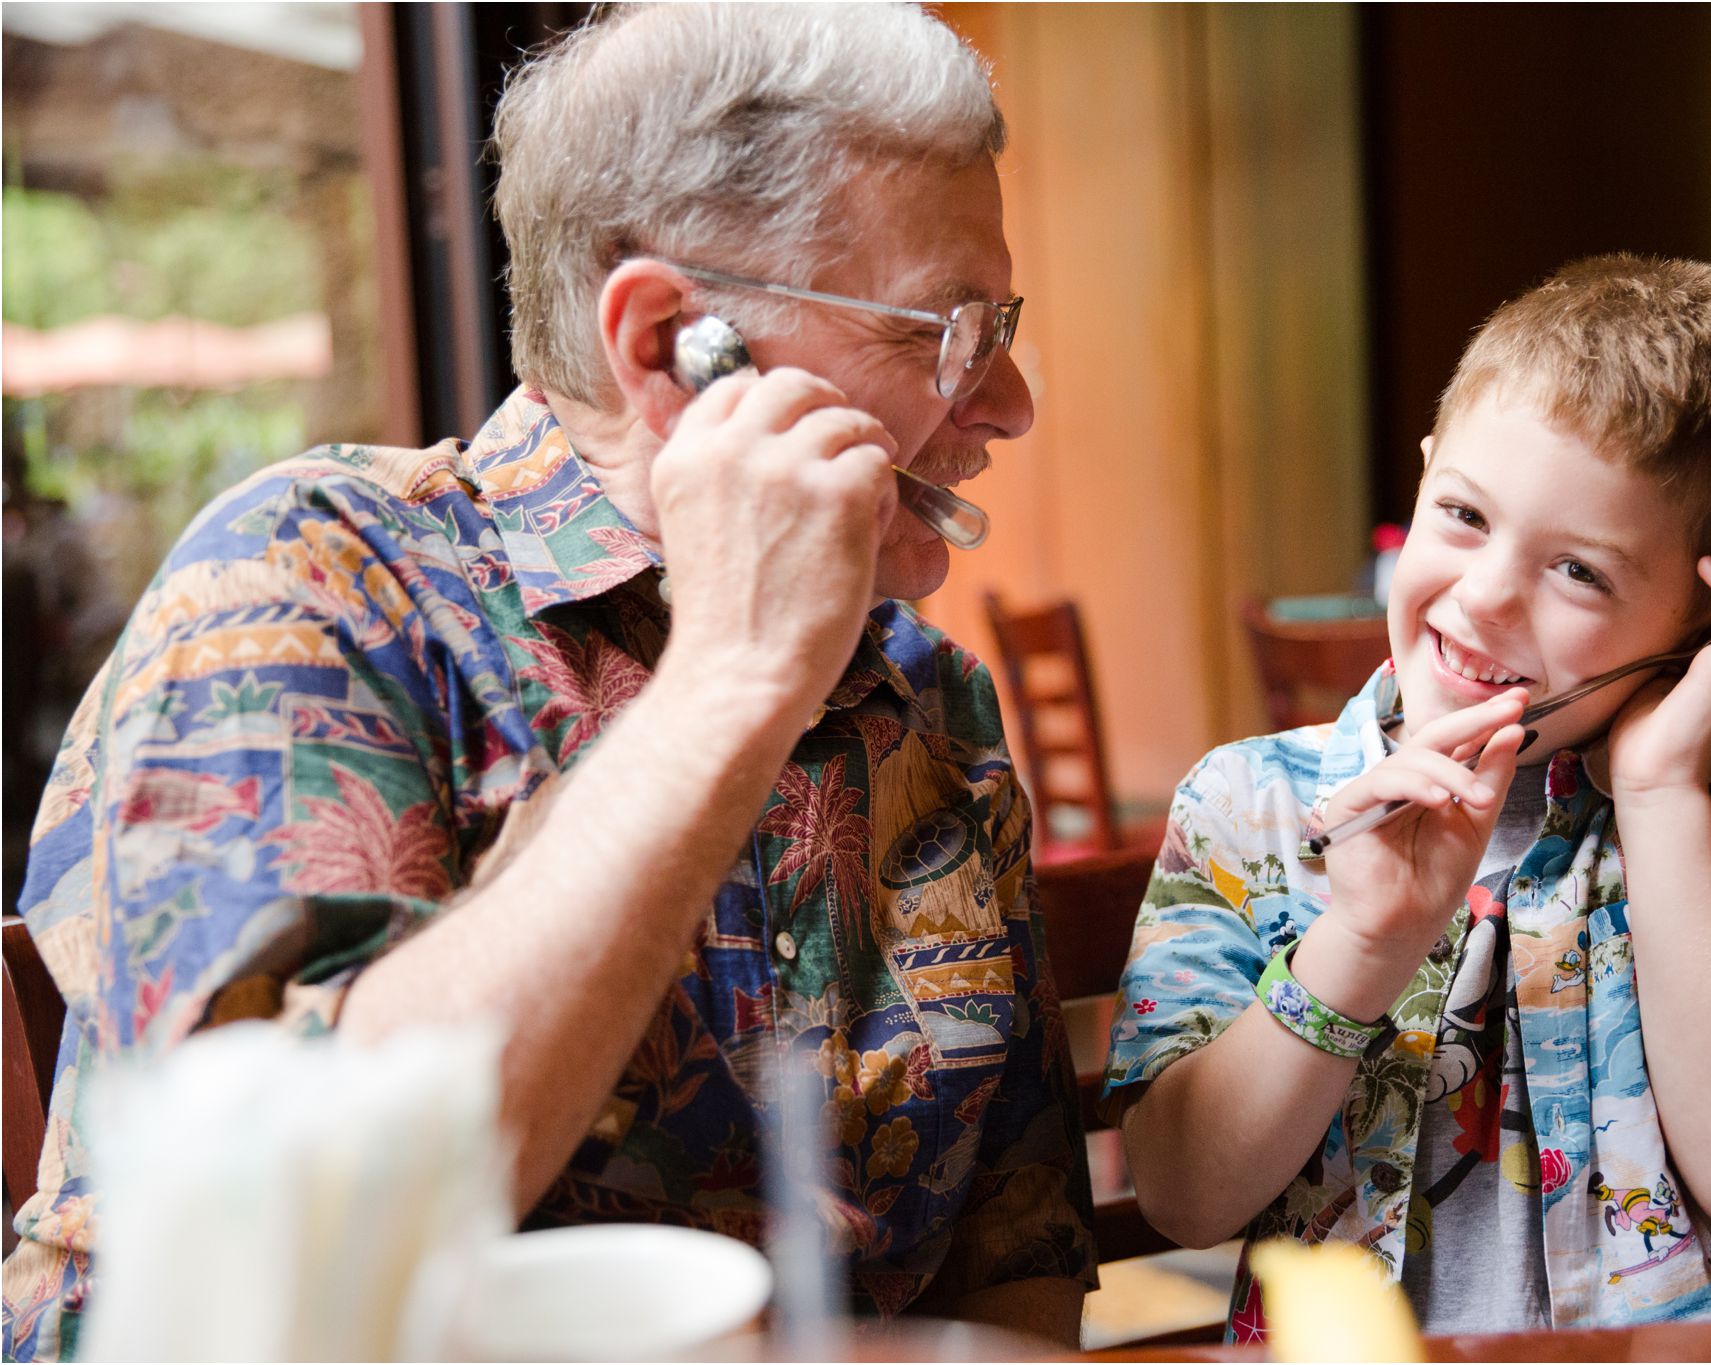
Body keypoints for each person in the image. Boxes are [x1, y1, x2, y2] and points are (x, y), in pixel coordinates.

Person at [2, 7, 1097, 1357]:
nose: (1007, 405)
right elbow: (304, 1256)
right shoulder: (314, 584)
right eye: (949, 328)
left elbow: (1018, 1266)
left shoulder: (931, 702)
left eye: (1006, 324)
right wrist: (728, 682)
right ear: (667, 348)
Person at [1103, 255, 1711, 1339]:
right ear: (1421, 478)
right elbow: (1182, 1197)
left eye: (1581, 573)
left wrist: (1657, 801)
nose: (1483, 597)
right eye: (1462, 514)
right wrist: (1365, 940)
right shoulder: (1248, 804)